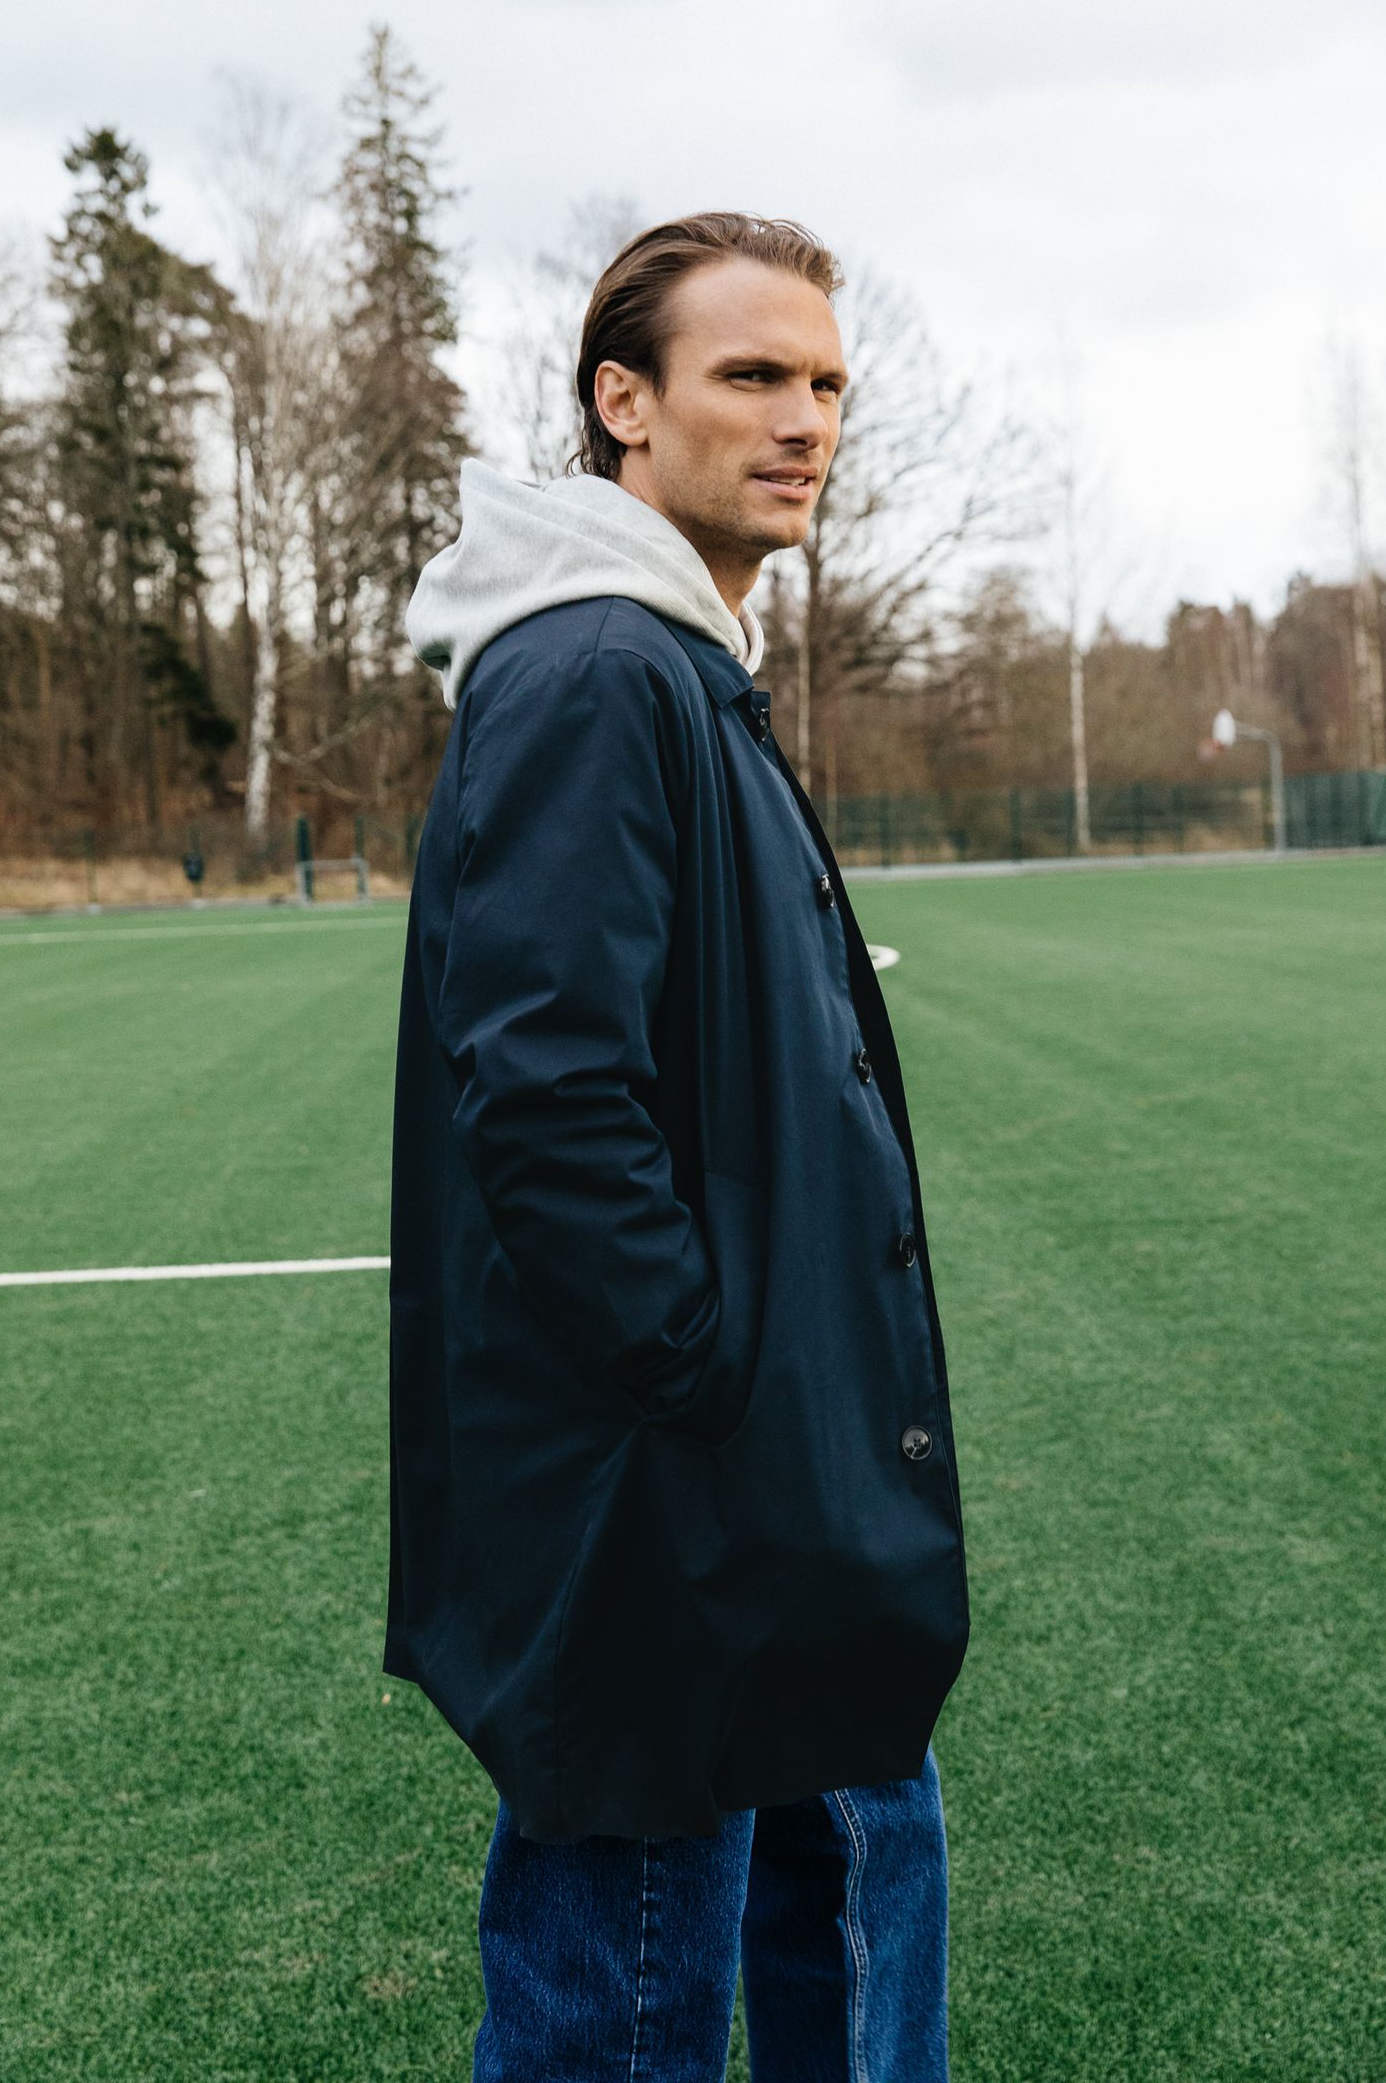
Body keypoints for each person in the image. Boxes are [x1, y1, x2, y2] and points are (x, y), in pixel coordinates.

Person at [387, 211, 970, 2081]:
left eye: (827, 385)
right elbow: (550, 1090)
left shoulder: (676, 662)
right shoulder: (596, 672)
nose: (806, 421)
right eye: (754, 376)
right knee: (627, 2000)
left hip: (760, 1475)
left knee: (847, 1860)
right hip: (669, 1489)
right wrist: (707, 1371)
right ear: (623, 404)